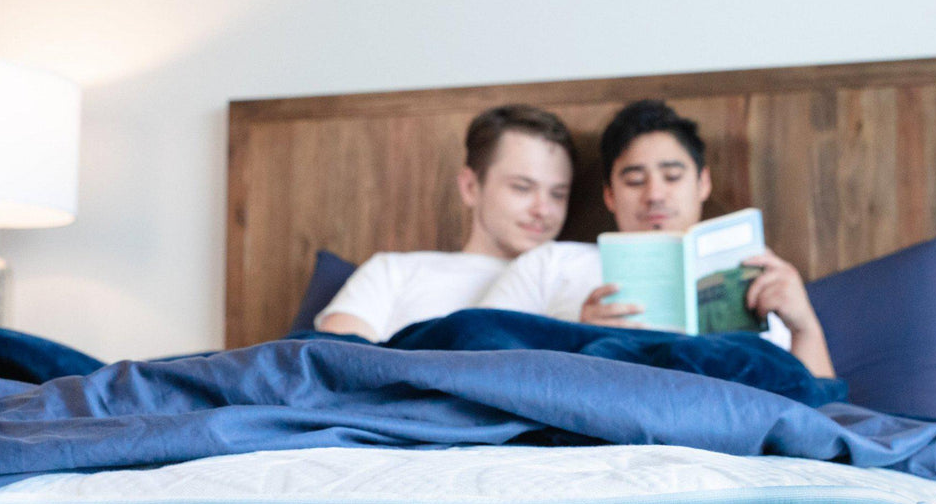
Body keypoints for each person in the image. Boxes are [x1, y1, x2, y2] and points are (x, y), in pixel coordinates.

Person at [478, 100, 835, 378]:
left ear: (702, 184)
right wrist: (577, 340)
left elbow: (825, 408)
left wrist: (804, 326)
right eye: (635, 181)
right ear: (609, 195)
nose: (654, 195)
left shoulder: (757, 274)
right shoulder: (550, 262)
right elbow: (471, 355)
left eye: (672, 176)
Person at [315, 105, 576, 341]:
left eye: (558, 194)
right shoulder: (393, 272)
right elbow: (334, 366)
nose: (543, 209)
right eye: (522, 188)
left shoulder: (576, 284)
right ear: (471, 187)